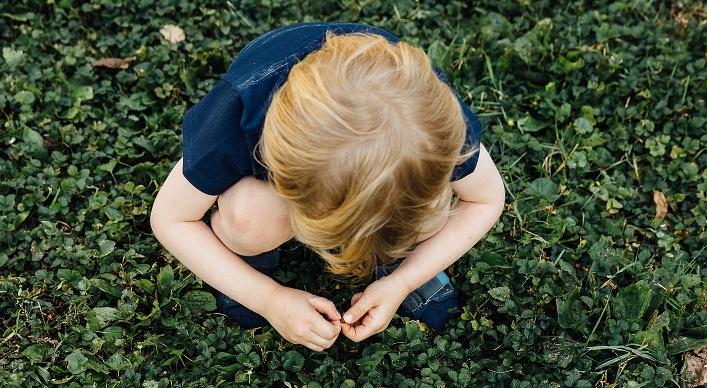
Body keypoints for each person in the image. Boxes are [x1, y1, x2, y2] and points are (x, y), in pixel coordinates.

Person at [150, 22, 505, 352]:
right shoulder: (236, 115)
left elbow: (485, 200)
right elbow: (172, 219)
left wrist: (405, 281)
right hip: (271, 133)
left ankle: (400, 256)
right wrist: (268, 298)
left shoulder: (432, 124)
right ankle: (250, 259)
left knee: (425, 205)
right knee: (251, 215)